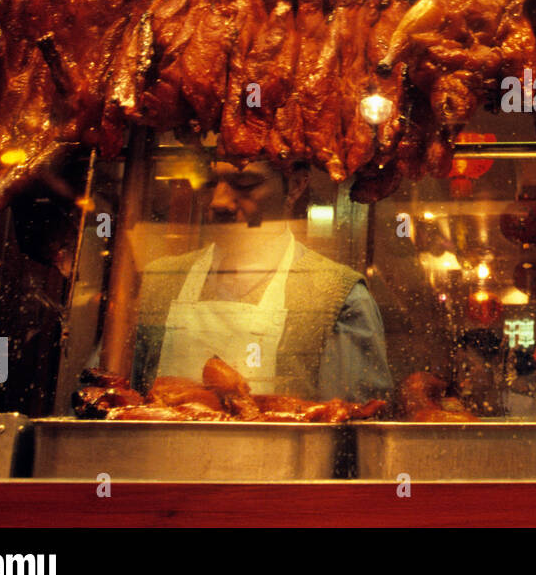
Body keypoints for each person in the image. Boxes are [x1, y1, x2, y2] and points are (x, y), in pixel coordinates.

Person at [129, 160, 393, 402]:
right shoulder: (160, 280)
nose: (219, 202)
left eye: (245, 184)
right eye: (211, 183)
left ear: (296, 186)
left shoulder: (339, 295)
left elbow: (352, 429)